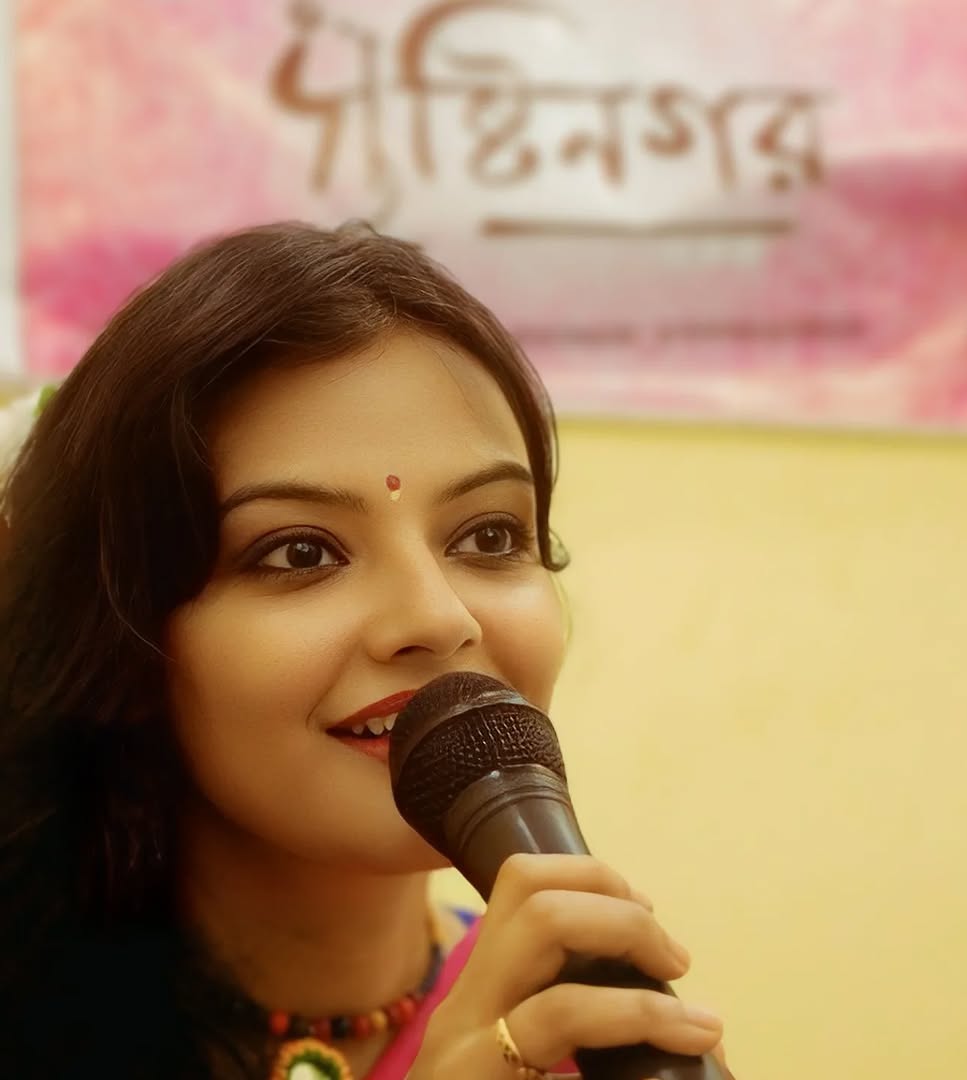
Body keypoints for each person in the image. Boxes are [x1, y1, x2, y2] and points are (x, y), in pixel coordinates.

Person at [0, 222, 730, 1079]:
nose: (438, 617)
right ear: (120, 639)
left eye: (490, 536)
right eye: (300, 552)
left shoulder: (571, 1039)